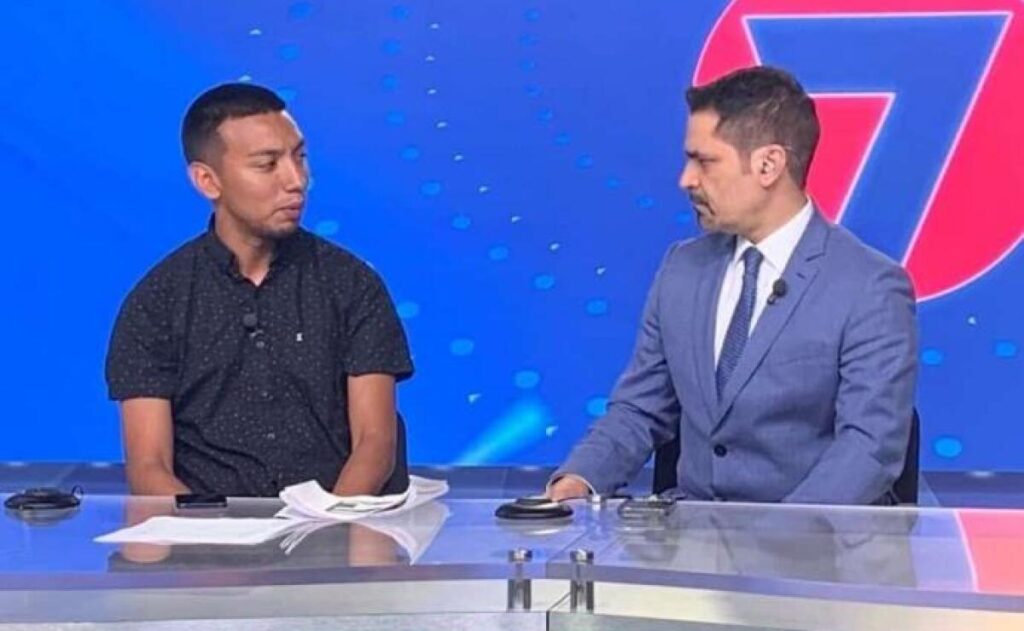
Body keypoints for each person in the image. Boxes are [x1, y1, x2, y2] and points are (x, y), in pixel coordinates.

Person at [549, 66, 918, 505]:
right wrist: (576, 482)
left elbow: (868, 448)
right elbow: (639, 408)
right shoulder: (682, 268)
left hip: (810, 539)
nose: (686, 179)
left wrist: (776, 536)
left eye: (704, 161)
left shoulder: (869, 286)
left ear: (768, 165)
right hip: (690, 535)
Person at [106, 83, 413, 497]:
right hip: (204, 530)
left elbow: (375, 445)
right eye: (268, 165)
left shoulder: (351, 284)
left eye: (300, 157)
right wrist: (208, 533)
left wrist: (332, 525)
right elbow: (149, 468)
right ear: (207, 180)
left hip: (340, 523)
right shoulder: (158, 301)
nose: (296, 181)